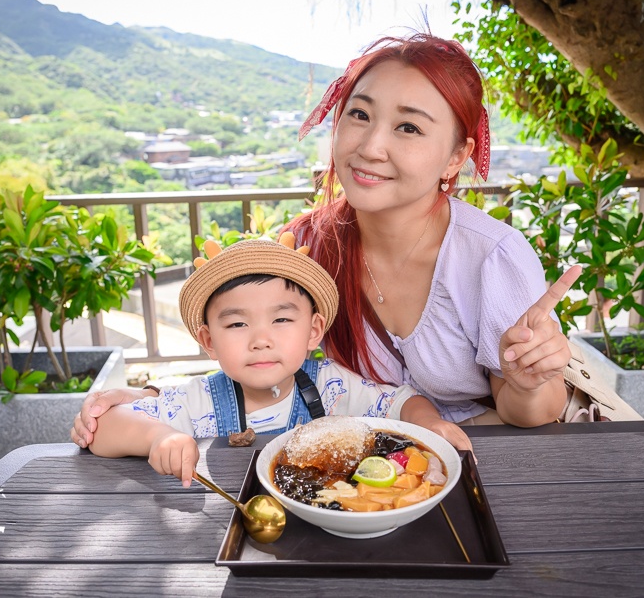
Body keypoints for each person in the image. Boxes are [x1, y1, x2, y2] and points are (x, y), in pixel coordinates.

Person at [72, 32, 577, 439]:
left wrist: (529, 380)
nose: (371, 146)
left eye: (409, 128)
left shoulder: (490, 258)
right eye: (359, 115)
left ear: (455, 157)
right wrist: (152, 402)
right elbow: (254, 347)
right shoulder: (306, 247)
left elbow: (531, 415)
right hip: (362, 477)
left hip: (482, 462)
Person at [82, 235, 472, 486]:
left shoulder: (331, 386)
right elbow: (102, 429)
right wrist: (159, 437)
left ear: (314, 330)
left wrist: (430, 423)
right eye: (237, 323)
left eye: (282, 320)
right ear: (208, 340)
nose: (261, 339)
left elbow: (401, 401)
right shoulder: (199, 401)